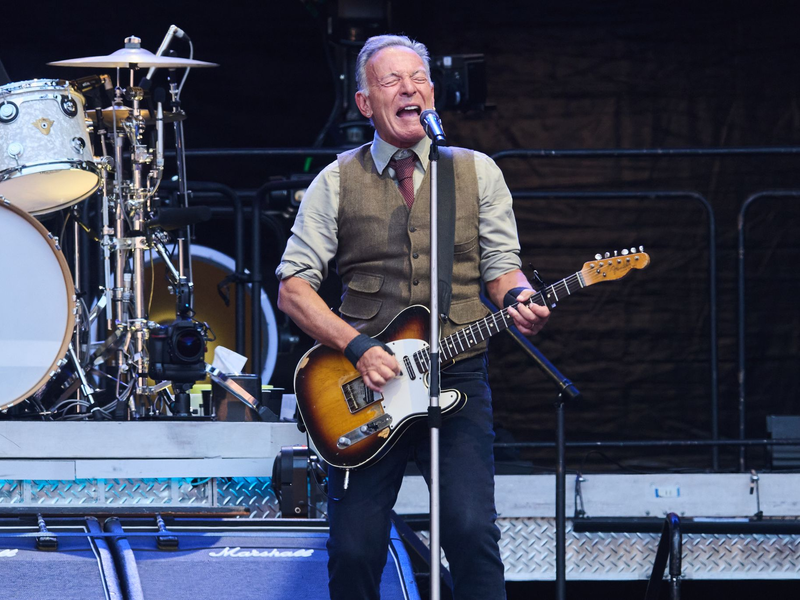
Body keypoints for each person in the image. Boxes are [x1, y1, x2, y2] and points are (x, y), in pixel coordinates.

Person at [276, 34, 550, 600]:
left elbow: (503, 270)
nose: (409, 89)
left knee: (472, 533)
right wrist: (357, 348)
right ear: (364, 103)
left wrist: (521, 299)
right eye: (390, 81)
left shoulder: (477, 172)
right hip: (366, 386)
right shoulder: (334, 180)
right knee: (354, 549)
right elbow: (294, 289)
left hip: (459, 377)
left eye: (417, 78)